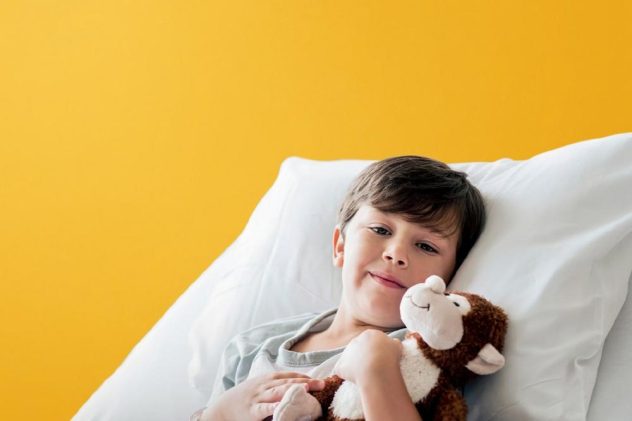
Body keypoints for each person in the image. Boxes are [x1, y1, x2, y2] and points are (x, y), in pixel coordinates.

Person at [193, 155, 486, 421]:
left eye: (426, 246)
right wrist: (217, 415)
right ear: (340, 247)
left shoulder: (429, 354)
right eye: (380, 230)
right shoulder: (252, 348)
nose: (396, 254)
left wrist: (376, 369)